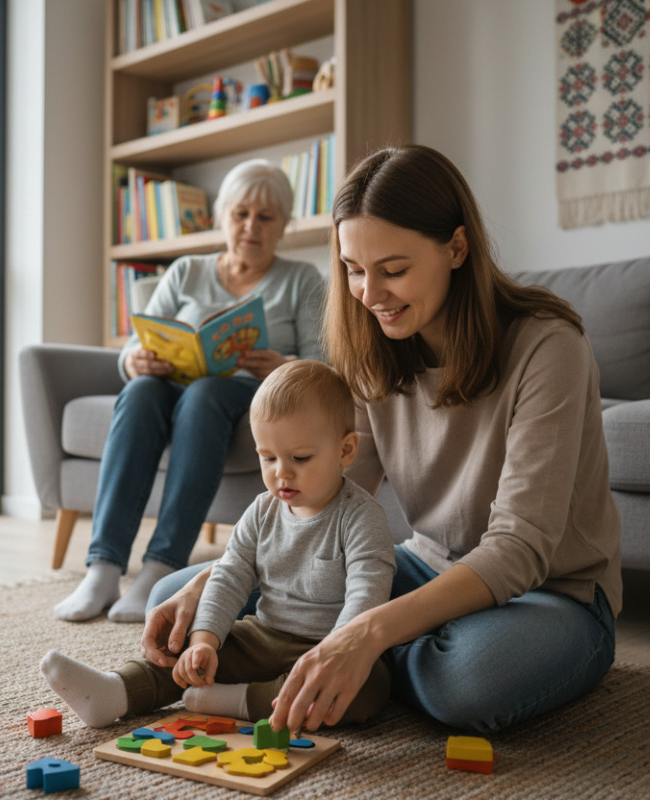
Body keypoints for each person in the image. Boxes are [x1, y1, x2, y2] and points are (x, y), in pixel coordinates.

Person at [139, 144, 623, 736]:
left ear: (456, 248)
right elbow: (327, 493)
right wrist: (207, 584)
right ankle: (351, 663)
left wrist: (365, 632)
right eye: (353, 269)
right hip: (425, 566)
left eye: (393, 270)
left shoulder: (549, 348)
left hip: (552, 594)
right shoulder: (375, 350)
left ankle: (343, 661)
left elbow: (520, 549)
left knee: (467, 681)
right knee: (177, 597)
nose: (370, 295)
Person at [40, 360, 396, 727]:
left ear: (346, 450)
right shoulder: (263, 510)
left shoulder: (361, 517)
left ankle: (241, 701)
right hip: (263, 636)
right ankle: (115, 692)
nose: (281, 472)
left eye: (300, 458)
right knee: (186, 657)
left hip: (330, 647)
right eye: (268, 457)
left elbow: (366, 596)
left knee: (370, 687)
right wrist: (205, 641)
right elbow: (229, 574)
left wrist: (336, 653)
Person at [54, 159, 326, 624]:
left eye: (266, 217)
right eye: (241, 214)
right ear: (223, 217)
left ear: (284, 225)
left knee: (204, 394)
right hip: (173, 386)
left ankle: (162, 565)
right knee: (140, 393)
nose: (251, 227)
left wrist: (282, 366)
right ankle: (103, 566)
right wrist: (133, 359)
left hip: (244, 395)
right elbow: (139, 341)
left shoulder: (302, 279)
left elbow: (323, 367)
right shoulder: (185, 272)